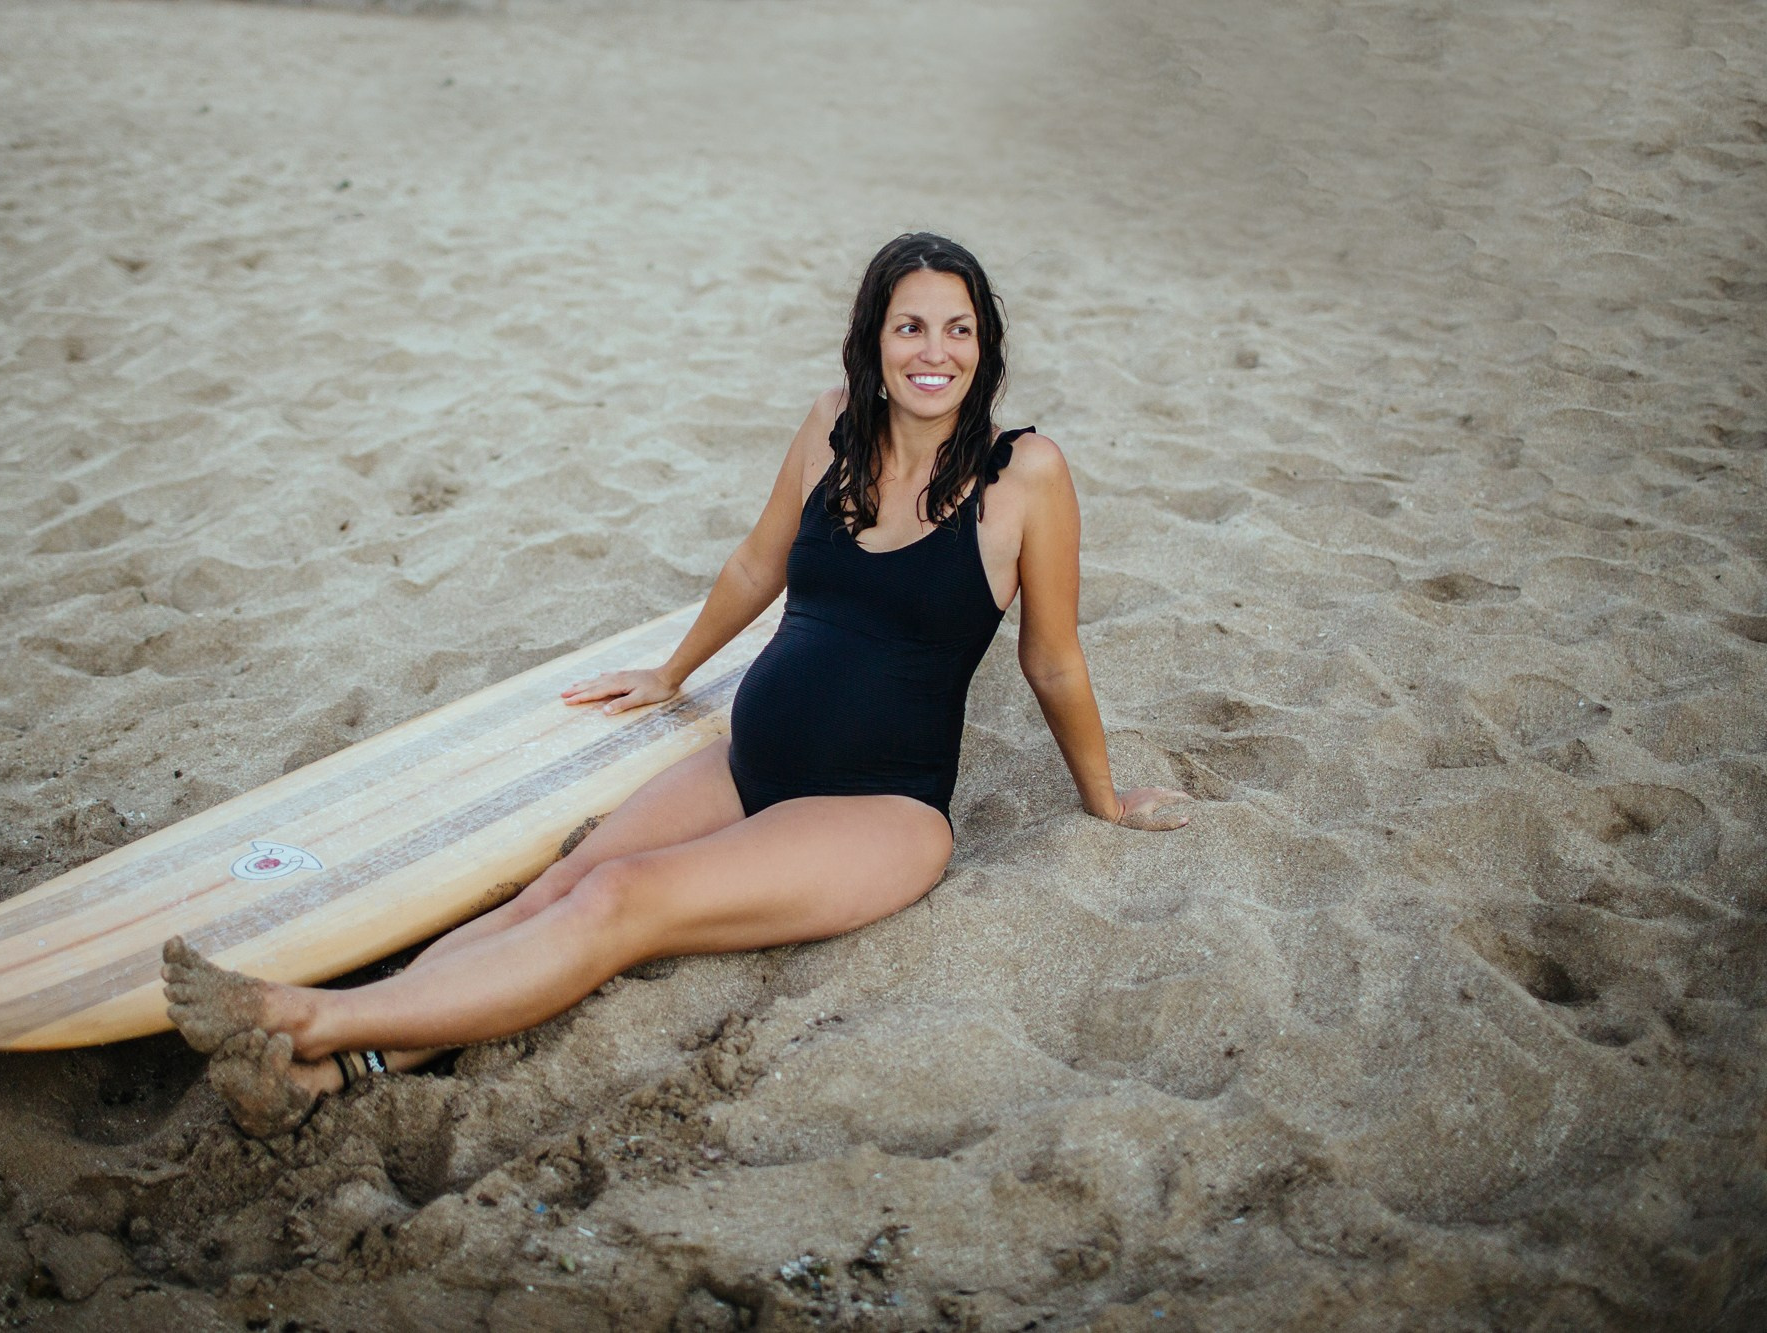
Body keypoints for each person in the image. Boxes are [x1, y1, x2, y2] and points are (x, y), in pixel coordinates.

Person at [162, 232, 1191, 1136]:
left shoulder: (1026, 475)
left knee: (618, 900)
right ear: (872, 341)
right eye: (909, 327)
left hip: (878, 809)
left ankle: (309, 1013)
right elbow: (756, 564)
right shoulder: (833, 425)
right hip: (752, 759)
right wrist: (670, 671)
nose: (933, 352)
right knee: (557, 887)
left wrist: (1103, 801)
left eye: (956, 329)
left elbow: (1050, 658)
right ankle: (337, 1066)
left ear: (985, 344)